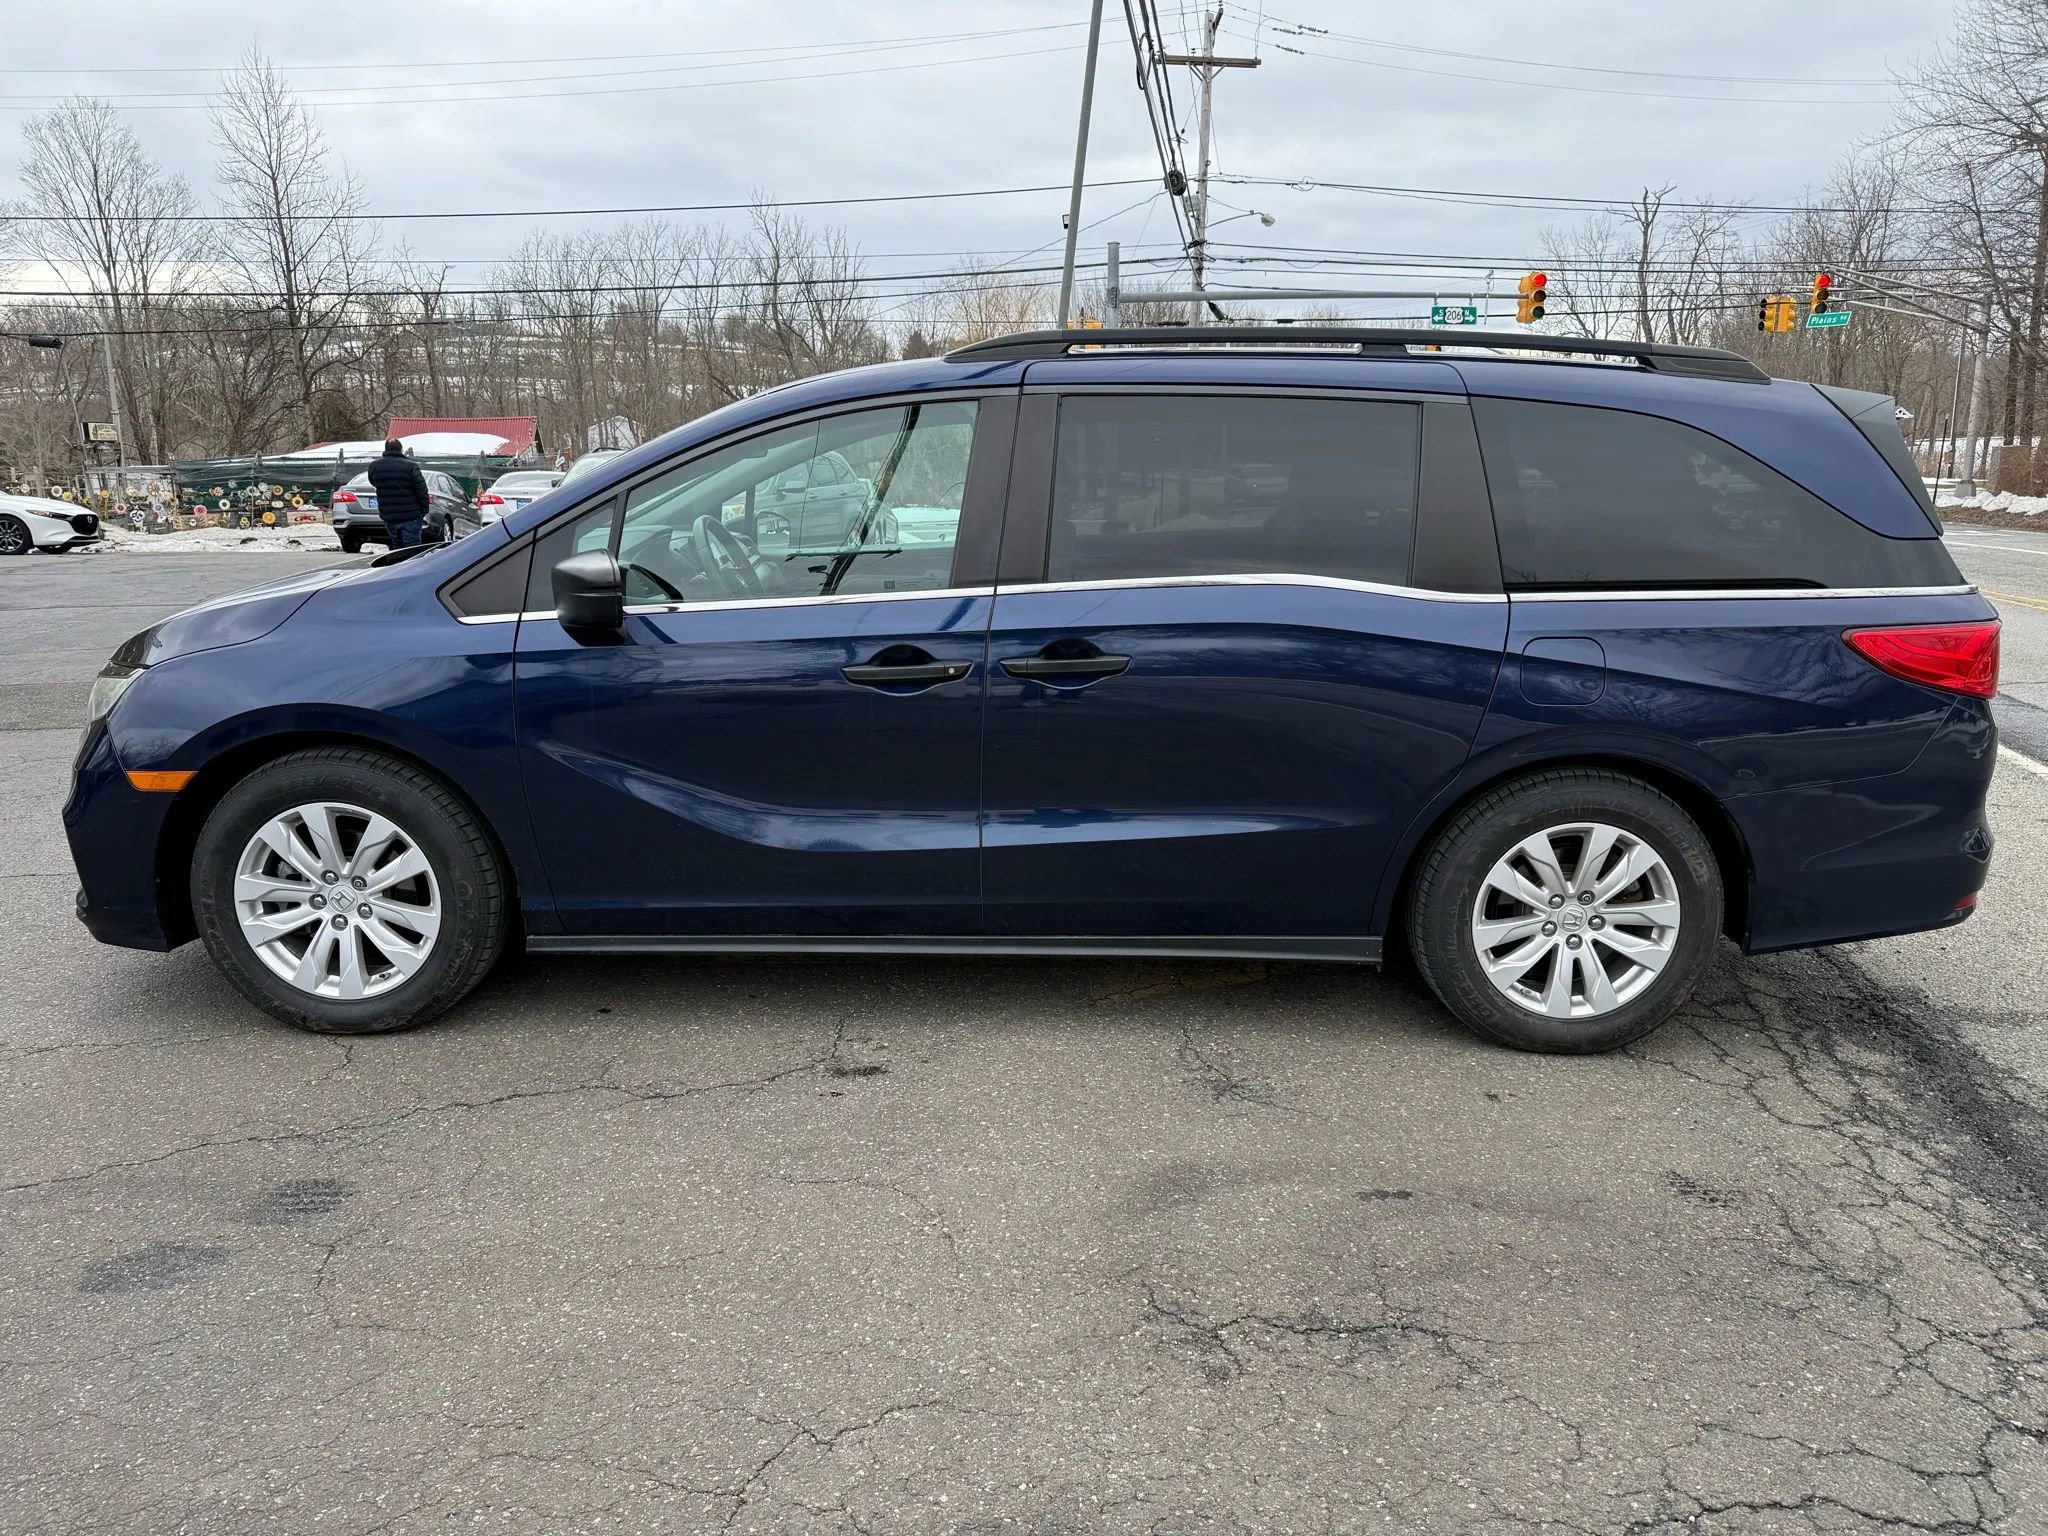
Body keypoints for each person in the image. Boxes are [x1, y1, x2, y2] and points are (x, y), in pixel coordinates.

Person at [366, 438, 431, 548]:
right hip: (411, 514)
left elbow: (373, 482)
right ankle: (413, 565)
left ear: (385, 450)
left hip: (389, 514)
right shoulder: (411, 466)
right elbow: (421, 490)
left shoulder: (374, 466)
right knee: (412, 548)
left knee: (397, 547)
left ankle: (399, 564)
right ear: (401, 449)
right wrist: (424, 509)